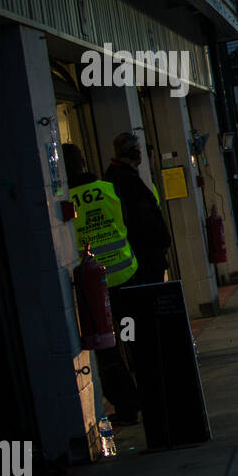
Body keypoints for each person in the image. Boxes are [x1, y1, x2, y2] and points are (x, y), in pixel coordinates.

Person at [65, 142, 144, 425]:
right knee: (134, 339)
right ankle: (151, 396)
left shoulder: (65, 200)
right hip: (126, 274)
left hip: (96, 286)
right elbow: (130, 223)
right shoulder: (108, 188)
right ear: (84, 163)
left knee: (108, 350)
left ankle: (126, 406)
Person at [104, 132, 171, 285]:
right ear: (133, 153)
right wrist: (162, 240)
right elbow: (144, 219)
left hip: (138, 255)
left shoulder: (115, 177)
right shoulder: (128, 180)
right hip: (145, 255)